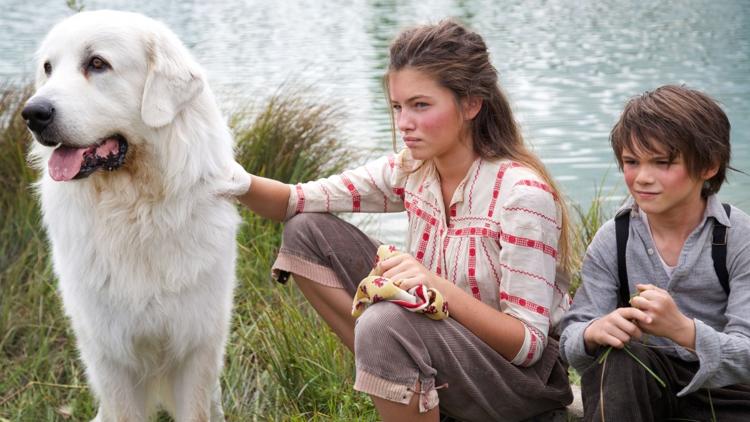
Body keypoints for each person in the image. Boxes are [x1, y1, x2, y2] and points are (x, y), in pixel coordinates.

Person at [232, 20, 573, 421]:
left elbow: (528, 344)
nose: (403, 123)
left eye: (421, 105)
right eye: (397, 106)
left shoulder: (522, 196)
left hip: (520, 385)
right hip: (446, 344)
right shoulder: (413, 169)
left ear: (471, 104)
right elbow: (294, 201)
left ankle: (396, 363)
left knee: (385, 321)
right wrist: (225, 178)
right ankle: (399, 376)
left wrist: (431, 284)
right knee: (306, 230)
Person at [559, 85, 750, 421]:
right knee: (618, 357)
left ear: (708, 166)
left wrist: (683, 330)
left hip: (729, 393)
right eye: (632, 162)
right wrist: (593, 332)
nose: (642, 178)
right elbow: (572, 337)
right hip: (641, 387)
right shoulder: (613, 239)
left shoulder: (738, 238)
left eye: (662, 163)